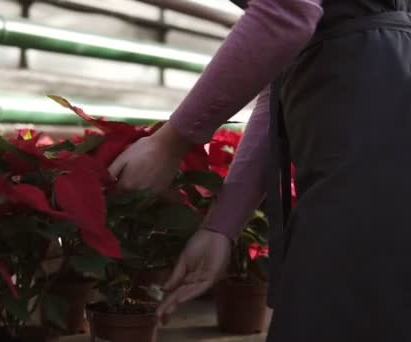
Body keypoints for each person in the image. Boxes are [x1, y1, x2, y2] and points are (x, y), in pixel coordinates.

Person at [108, 0, 411, 340]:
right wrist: (222, 225)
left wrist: (170, 143)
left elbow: (287, 14)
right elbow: (279, 64)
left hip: (368, 124)